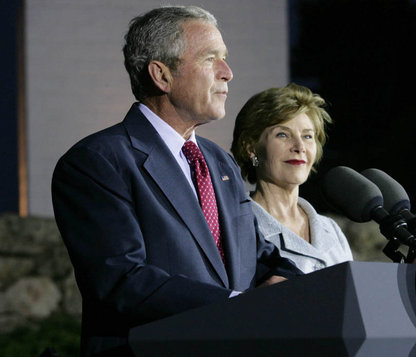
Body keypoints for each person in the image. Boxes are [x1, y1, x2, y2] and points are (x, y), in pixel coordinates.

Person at [51, 6, 302, 356]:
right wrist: (240, 309)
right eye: (210, 58)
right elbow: (123, 282)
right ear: (162, 75)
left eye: (225, 59)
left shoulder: (219, 162)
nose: (227, 73)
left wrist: (286, 285)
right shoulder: (98, 162)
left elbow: (261, 258)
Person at [231, 83, 353, 273]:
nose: (299, 147)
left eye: (307, 136)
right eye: (283, 135)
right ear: (251, 147)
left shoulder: (331, 230)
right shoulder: (236, 226)